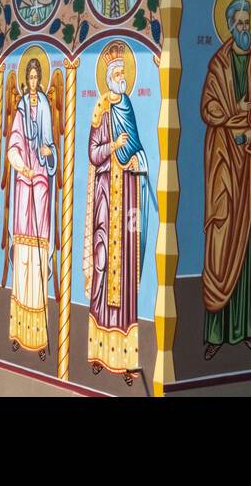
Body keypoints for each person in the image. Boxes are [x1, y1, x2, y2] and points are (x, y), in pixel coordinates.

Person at [200, 0, 251, 359]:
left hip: (249, 169)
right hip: (224, 169)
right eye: (239, 23)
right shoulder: (218, 63)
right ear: (229, 26)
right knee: (220, 238)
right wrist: (235, 116)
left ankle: (246, 328)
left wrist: (250, 132)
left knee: (245, 245)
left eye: (248, 22)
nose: (245, 28)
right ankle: (215, 333)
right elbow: (208, 108)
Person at [84, 41, 156, 383]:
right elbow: (93, 153)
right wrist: (113, 146)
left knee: (125, 266)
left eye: (124, 73)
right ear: (107, 78)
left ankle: (126, 353)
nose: (122, 79)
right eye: (117, 74)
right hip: (105, 198)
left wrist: (138, 156)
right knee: (103, 263)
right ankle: (99, 349)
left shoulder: (126, 104)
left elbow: (137, 143)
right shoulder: (100, 109)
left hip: (127, 194)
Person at [4, 58, 58, 358]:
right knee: (23, 256)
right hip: (24, 183)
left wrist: (48, 154)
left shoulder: (46, 108)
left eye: (38, 77)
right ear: (27, 78)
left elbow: (49, 145)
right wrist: (21, 166)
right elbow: (13, 143)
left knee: (38, 255)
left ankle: (39, 330)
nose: (35, 81)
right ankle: (18, 329)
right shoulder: (23, 108)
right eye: (32, 76)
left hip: (41, 184)